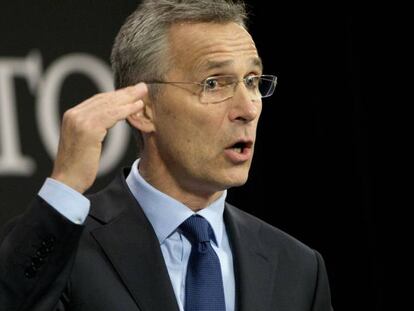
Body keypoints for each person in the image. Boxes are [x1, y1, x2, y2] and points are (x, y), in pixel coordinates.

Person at [0, 0, 333, 310]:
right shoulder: (59, 248)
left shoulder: (299, 268)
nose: (247, 108)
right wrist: (66, 185)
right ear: (143, 109)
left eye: (251, 80)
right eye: (214, 83)